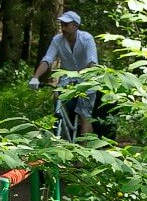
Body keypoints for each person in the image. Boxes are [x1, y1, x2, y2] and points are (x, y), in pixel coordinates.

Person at [29, 10, 98, 138]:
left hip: (87, 79)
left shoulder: (86, 38)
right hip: (66, 79)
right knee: (57, 97)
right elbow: (47, 60)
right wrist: (35, 77)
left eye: (66, 25)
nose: (63, 28)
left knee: (84, 113)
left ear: (75, 26)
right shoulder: (58, 40)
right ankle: (61, 133)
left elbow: (92, 62)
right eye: (62, 25)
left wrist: (85, 79)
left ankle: (84, 148)